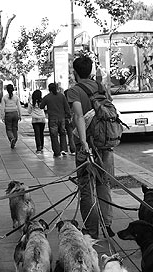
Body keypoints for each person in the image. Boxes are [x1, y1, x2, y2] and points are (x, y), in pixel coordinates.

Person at [66, 56, 114, 239]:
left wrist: (84, 143)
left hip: (87, 146)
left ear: (75, 72)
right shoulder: (101, 88)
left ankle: (91, 230)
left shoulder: (74, 91)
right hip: (106, 142)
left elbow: (78, 116)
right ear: (91, 70)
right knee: (104, 183)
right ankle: (106, 224)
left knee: (86, 188)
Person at [40, 82, 71, 157]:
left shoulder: (47, 97)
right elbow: (66, 107)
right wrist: (68, 115)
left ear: (49, 89)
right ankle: (63, 149)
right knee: (63, 134)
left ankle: (56, 152)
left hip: (52, 119)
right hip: (62, 118)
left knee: (54, 136)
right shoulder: (61, 96)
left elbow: (41, 106)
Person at [1, 84, 22, 148]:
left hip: (8, 114)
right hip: (15, 113)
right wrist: (20, 115)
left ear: (7, 90)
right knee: (15, 128)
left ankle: (11, 138)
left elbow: (3, 108)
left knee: (9, 129)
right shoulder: (16, 97)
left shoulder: (4, 97)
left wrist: (3, 116)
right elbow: (19, 106)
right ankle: (14, 141)